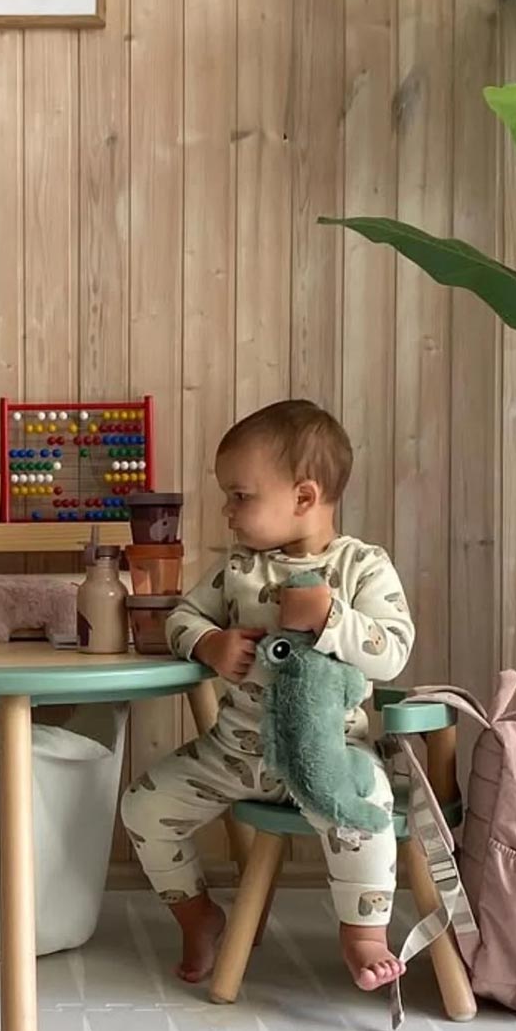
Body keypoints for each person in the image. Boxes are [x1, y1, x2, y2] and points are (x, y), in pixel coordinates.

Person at [120, 399, 415, 992]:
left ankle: (363, 935)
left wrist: (334, 618)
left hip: (332, 757)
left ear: (303, 497)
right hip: (234, 755)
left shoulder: (362, 566)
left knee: (367, 813)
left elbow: (394, 649)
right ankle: (197, 915)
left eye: (240, 496)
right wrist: (208, 644)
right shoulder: (238, 570)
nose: (226, 510)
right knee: (142, 808)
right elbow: (180, 617)